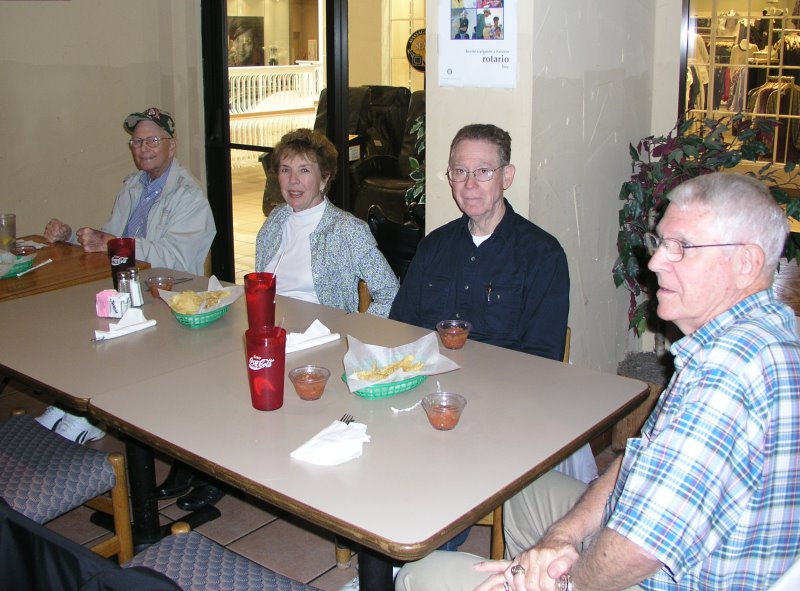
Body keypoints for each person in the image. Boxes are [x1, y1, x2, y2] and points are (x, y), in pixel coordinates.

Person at [395, 172, 800, 591]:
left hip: (675, 577)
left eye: (681, 247)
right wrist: (562, 537)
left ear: (746, 263)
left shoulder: (728, 372)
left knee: (420, 574)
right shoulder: (753, 334)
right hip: (661, 540)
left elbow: (640, 548)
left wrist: (563, 583)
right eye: (661, 243)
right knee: (523, 494)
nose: (656, 262)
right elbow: (640, 462)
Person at [390, 124, 585, 551]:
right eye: (459, 172)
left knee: (448, 472)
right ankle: (387, 545)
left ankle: (416, 560)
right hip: (428, 393)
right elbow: (401, 325)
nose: (469, 184)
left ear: (507, 176)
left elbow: (542, 357)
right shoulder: (434, 247)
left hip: (502, 407)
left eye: (482, 171)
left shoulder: (542, 254)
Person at [39, 107, 219, 511]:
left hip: (167, 296)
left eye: (153, 140)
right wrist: (73, 237)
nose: (144, 148)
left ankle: (87, 416)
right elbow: (112, 236)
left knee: (104, 328)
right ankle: (72, 403)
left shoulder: (189, 197)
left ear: (172, 145)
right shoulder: (133, 186)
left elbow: (174, 258)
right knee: (74, 318)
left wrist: (116, 245)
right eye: (137, 141)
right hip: (128, 285)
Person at [255, 128, 398, 317]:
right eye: (285, 170)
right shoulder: (275, 220)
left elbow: (390, 293)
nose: (293, 180)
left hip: (321, 336)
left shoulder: (347, 230)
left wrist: (356, 330)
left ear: (324, 178)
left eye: (304, 170)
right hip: (271, 328)